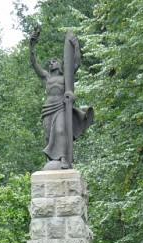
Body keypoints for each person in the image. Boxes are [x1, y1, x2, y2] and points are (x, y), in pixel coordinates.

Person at [29, 26, 93, 170]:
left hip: (61, 107)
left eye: (54, 61)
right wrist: (31, 45)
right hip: (48, 108)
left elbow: (76, 62)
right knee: (48, 135)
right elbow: (33, 63)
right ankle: (51, 161)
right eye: (50, 62)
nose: (51, 63)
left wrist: (76, 45)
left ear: (60, 64)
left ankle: (64, 158)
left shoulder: (66, 77)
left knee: (60, 130)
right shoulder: (47, 77)